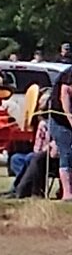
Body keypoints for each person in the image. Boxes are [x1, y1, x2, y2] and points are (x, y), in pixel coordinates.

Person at [48, 62, 72, 201]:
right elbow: (65, 93)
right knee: (67, 152)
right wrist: (70, 119)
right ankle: (67, 193)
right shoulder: (70, 73)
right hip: (60, 120)